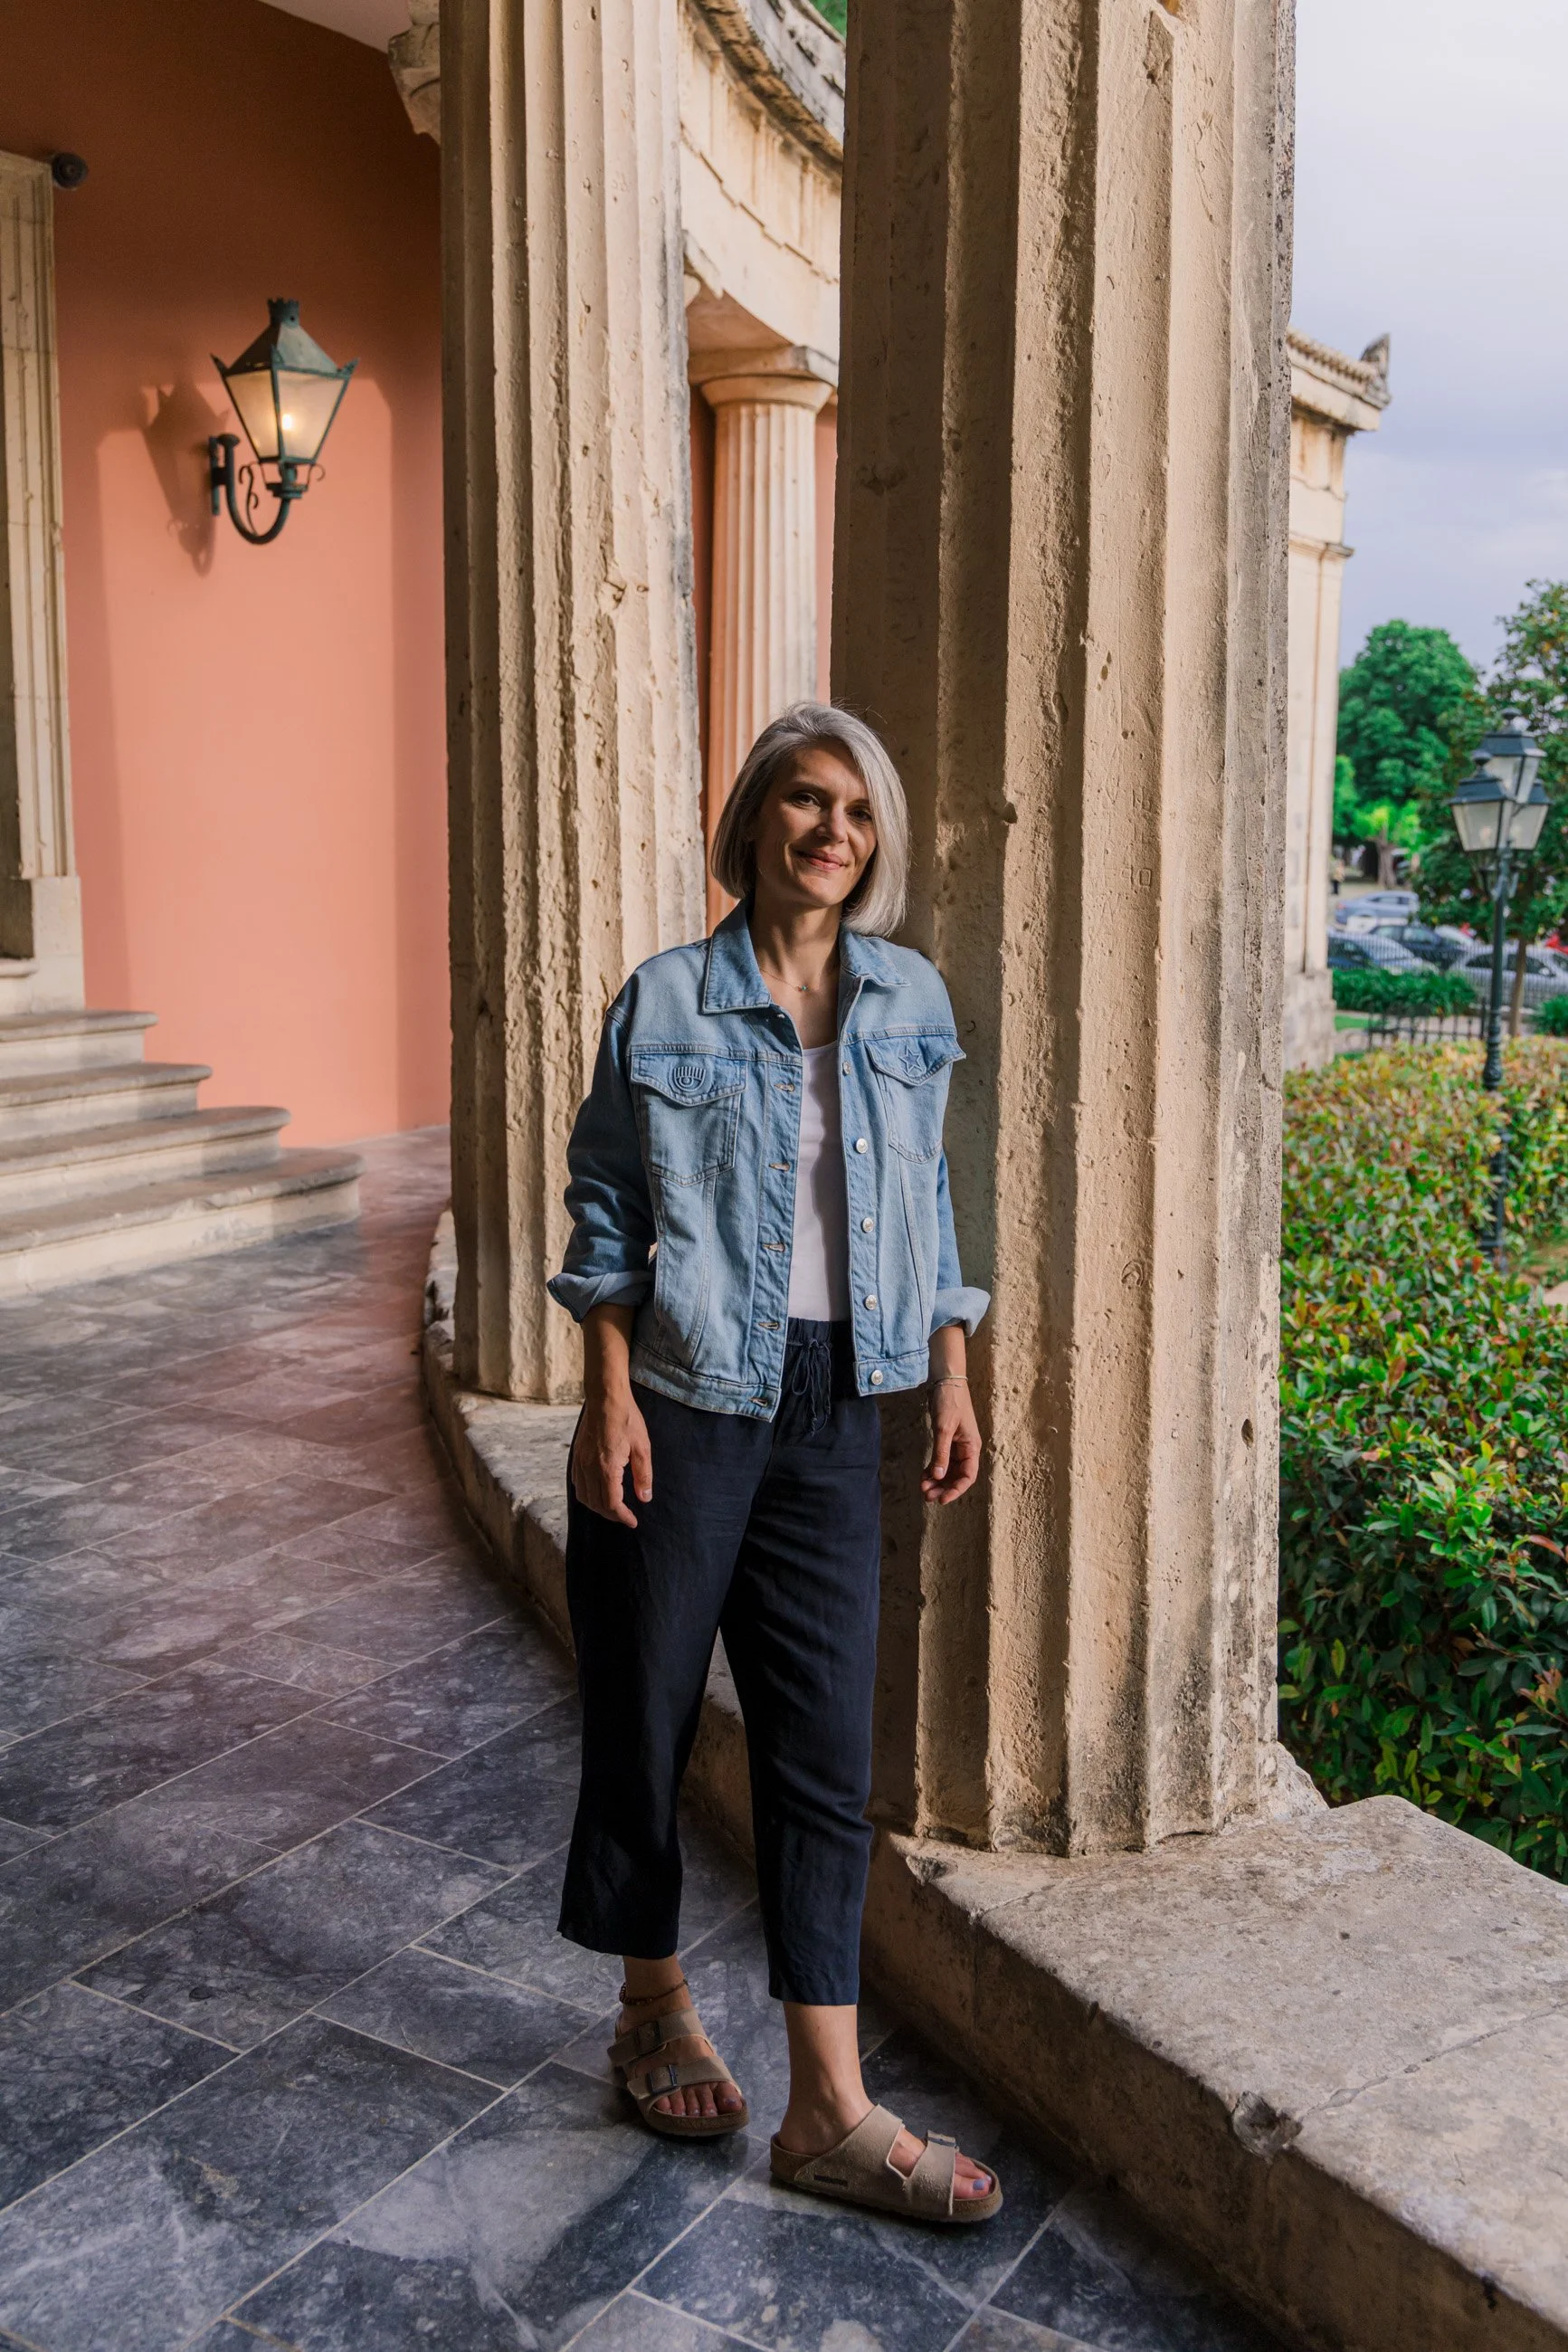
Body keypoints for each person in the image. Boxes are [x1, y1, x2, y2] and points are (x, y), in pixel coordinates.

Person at [547, 702, 1000, 2226]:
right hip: (680, 1397)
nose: (833, 831)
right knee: (647, 1710)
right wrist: (606, 1397)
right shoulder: (667, 1000)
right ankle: (652, 1999)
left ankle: (828, 2103)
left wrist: (946, 1364)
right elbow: (605, 1213)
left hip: (836, 1408)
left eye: (856, 811)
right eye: (805, 802)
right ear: (751, 823)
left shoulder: (910, 998)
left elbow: (929, 1201)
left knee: (822, 1751)